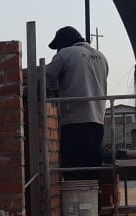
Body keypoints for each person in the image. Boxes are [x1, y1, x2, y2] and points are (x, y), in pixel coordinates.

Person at [45, 26, 109, 181]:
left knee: (73, 169)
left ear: (64, 42)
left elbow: (45, 78)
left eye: (58, 47)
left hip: (75, 122)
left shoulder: (65, 54)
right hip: (98, 122)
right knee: (92, 168)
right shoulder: (101, 57)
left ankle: (75, 197)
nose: (57, 50)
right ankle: (92, 197)